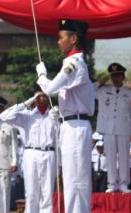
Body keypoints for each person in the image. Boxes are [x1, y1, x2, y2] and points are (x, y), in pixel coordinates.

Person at [34, 19, 94, 213]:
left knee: (75, 179)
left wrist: (41, 75)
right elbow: (65, 92)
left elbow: (51, 88)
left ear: (73, 38)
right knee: (70, 178)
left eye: (61, 37)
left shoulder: (74, 64)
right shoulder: (74, 63)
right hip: (71, 124)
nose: (58, 42)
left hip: (76, 126)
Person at [0, 87, 57, 213]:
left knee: (47, 191)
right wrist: (28, 102)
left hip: (49, 153)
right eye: (38, 96)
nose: (41, 97)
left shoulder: (53, 115)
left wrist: (57, 119)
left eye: (44, 95)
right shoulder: (27, 115)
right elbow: (4, 116)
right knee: (31, 191)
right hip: (31, 153)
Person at [94, 62, 131, 193]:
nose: (116, 78)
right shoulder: (102, 91)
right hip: (108, 129)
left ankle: (124, 183)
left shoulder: (129, 93)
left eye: (118, 75)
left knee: (124, 156)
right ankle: (112, 184)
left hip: (124, 128)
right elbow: (90, 91)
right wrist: (101, 81)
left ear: (123, 77)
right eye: (113, 76)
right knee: (110, 156)